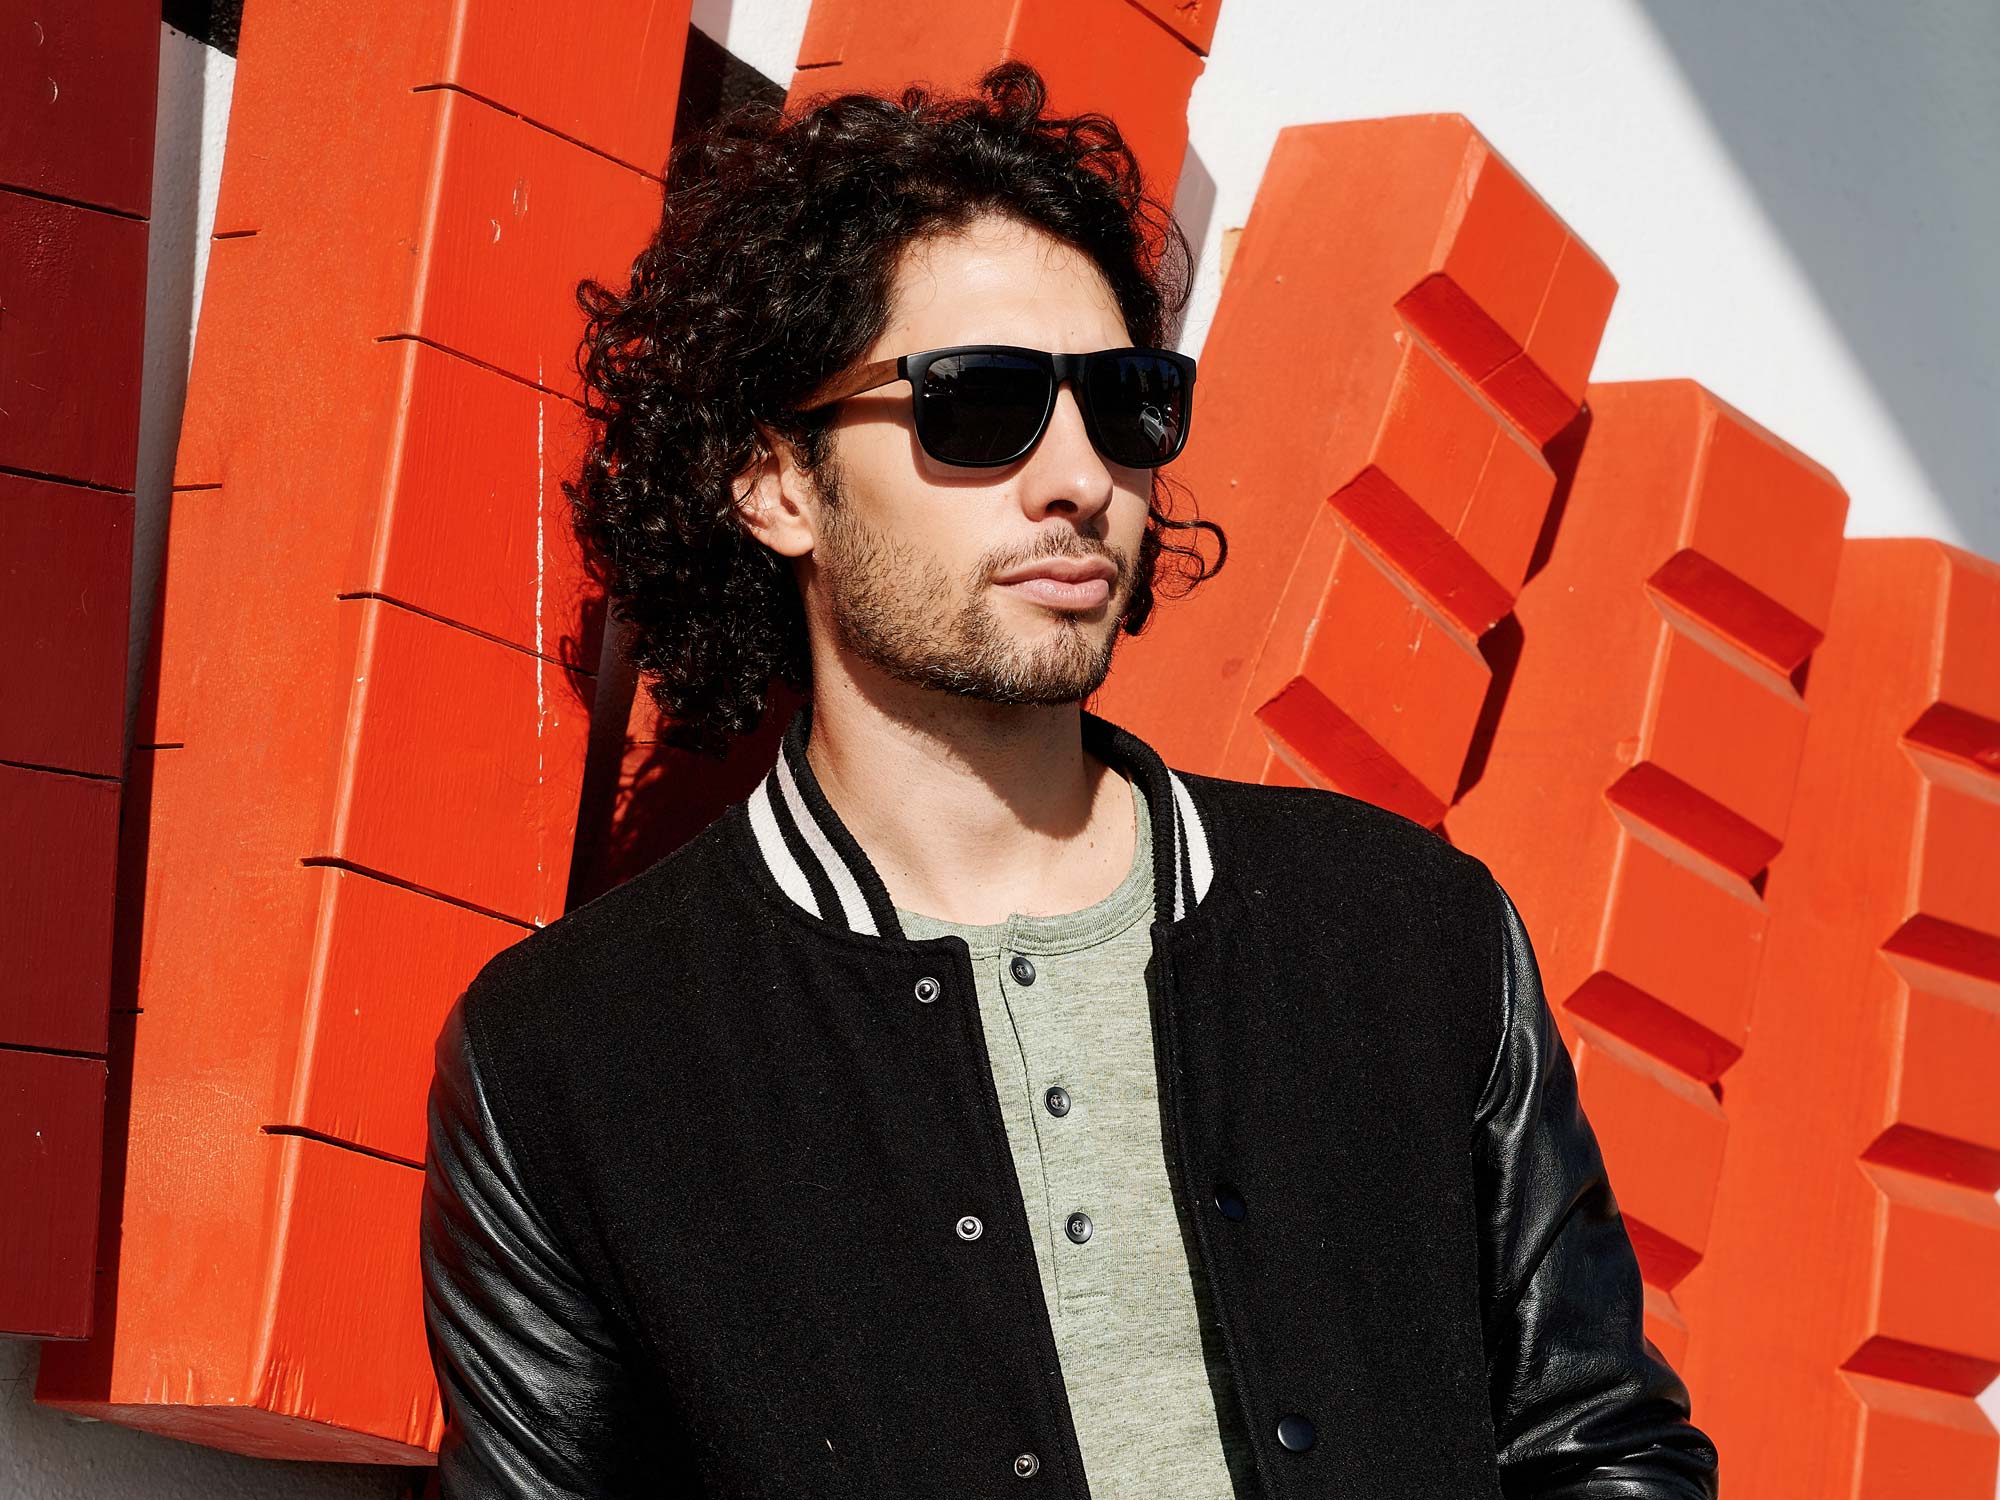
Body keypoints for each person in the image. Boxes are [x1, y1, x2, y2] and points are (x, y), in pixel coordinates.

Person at [418, 61, 1719, 1499]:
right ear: (777, 482)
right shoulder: (572, 1060)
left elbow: (1605, 1450)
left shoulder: (1407, 928)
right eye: (981, 404)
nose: (1078, 478)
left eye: (1124, 403)